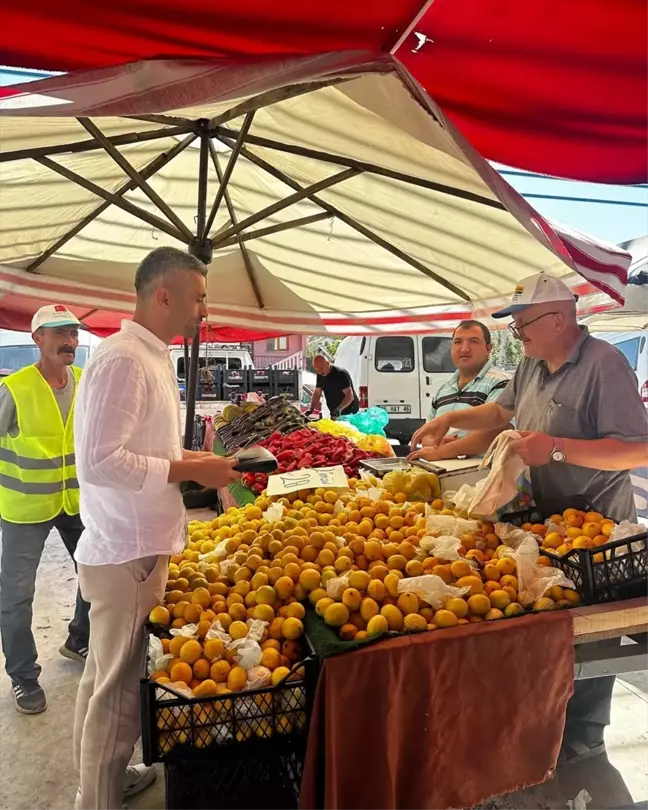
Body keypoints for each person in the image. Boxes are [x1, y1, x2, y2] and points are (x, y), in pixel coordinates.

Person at [412, 271, 648, 763]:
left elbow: (635, 450)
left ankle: (586, 732)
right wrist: (450, 419)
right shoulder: (530, 365)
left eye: (522, 322)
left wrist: (557, 448)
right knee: (555, 628)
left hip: (600, 528)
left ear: (559, 320)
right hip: (549, 522)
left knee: (589, 633)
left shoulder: (605, 365)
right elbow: (500, 416)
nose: (516, 333)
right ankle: (551, 719)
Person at [72, 247, 241, 810]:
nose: (203, 310)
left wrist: (197, 458)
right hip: (127, 554)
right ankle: (96, 800)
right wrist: (192, 468)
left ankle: (106, 784)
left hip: (134, 546)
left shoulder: (149, 356)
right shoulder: (124, 359)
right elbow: (100, 461)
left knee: (104, 680)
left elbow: (149, 450)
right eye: (197, 298)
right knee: (116, 699)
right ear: (162, 295)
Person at [0, 305, 90, 715]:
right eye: (58, 334)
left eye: (72, 332)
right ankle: (23, 676)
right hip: (25, 507)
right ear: (38, 339)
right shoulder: (14, 389)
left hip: (74, 502)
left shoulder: (87, 382)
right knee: (17, 596)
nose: (69, 341)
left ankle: (78, 638)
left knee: (98, 573)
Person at [408, 320, 509, 461]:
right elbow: (427, 434)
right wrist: (436, 442)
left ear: (488, 348)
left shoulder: (502, 382)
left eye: (473, 341)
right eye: (458, 342)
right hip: (444, 475)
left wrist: (443, 451)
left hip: (483, 477)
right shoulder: (443, 390)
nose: (464, 349)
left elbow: (495, 432)